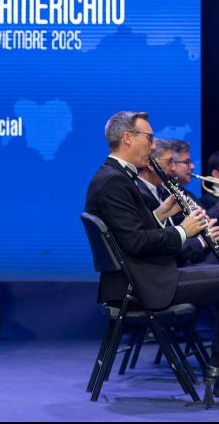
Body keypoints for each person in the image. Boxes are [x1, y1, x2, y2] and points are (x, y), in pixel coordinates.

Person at [85, 111, 219, 379]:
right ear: (127, 138)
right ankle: (215, 370)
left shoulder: (116, 177)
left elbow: (131, 233)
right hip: (142, 284)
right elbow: (135, 242)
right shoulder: (113, 181)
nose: (153, 145)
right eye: (148, 137)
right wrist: (184, 230)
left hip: (146, 276)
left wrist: (160, 214)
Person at [135, 139, 218, 266]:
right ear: (150, 164)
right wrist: (200, 240)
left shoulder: (163, 192)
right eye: (169, 162)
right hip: (175, 267)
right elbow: (157, 245)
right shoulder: (143, 194)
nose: (172, 169)